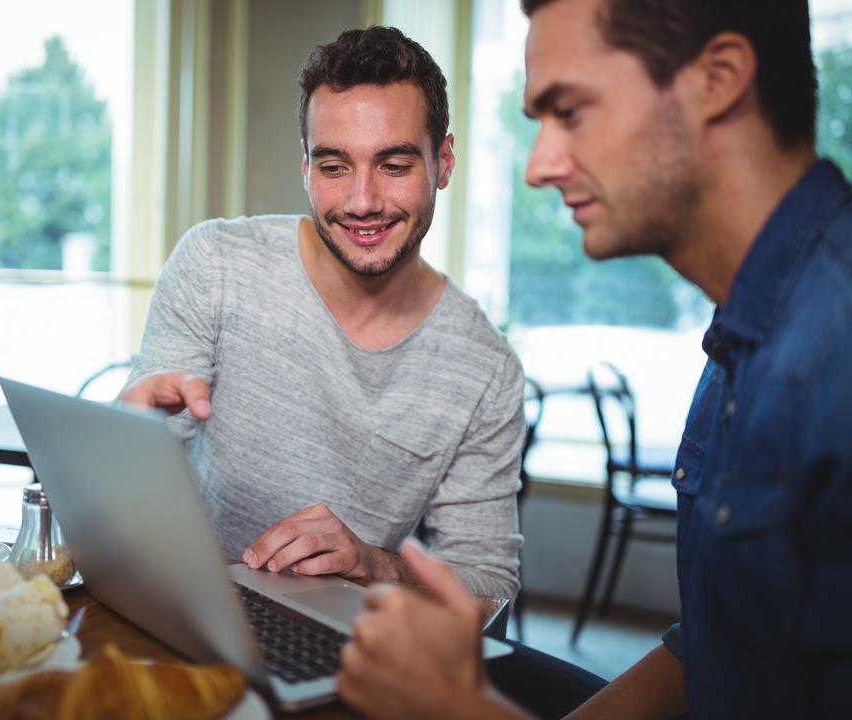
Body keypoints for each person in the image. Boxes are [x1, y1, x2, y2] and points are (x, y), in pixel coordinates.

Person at [337, 0, 852, 718]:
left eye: (570, 112)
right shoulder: (748, 328)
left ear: (720, 77)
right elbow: (717, 642)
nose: (539, 167)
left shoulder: (833, 359)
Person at [119, 27, 525, 599]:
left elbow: (491, 588)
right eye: (334, 167)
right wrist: (124, 435)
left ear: (444, 162)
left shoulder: (486, 369)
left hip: (340, 646)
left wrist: (376, 566)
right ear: (306, 168)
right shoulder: (216, 263)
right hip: (177, 602)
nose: (362, 202)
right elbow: (133, 478)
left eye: (394, 165)